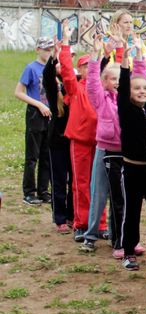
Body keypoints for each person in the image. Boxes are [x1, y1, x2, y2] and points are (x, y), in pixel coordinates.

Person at [58, 21, 105, 244]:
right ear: (81, 69)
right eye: (84, 65)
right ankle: (81, 223)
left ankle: (101, 223)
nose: (88, 68)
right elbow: (66, 71)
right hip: (80, 141)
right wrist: (66, 42)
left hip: (101, 141)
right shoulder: (76, 88)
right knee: (81, 183)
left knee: (101, 184)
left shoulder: (102, 89)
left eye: (91, 64)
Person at [116, 42, 146, 271]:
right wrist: (124, 62)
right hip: (132, 169)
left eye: (144, 88)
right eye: (136, 88)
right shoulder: (125, 108)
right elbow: (123, 87)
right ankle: (129, 252)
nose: (142, 91)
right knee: (131, 212)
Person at [84, 38, 125, 255]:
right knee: (99, 193)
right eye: (113, 79)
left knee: (118, 196)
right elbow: (91, 83)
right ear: (105, 81)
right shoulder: (101, 99)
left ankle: (114, 232)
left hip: (124, 153)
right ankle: (90, 235)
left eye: (120, 78)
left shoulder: (127, 99)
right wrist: (94, 57)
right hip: (104, 150)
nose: (117, 82)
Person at [15, 37, 53, 205]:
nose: (48, 52)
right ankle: (29, 192)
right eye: (45, 49)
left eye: (50, 49)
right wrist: (38, 104)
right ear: (38, 49)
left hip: (50, 115)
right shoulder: (31, 68)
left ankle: (43, 191)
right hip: (35, 114)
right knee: (32, 156)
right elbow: (19, 92)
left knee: (46, 155)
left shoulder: (52, 68)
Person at [42, 41, 73, 233]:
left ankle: (71, 215)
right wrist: (53, 57)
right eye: (59, 61)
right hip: (57, 141)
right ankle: (60, 217)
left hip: (75, 141)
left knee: (75, 182)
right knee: (59, 181)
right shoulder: (55, 90)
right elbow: (47, 76)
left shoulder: (75, 85)